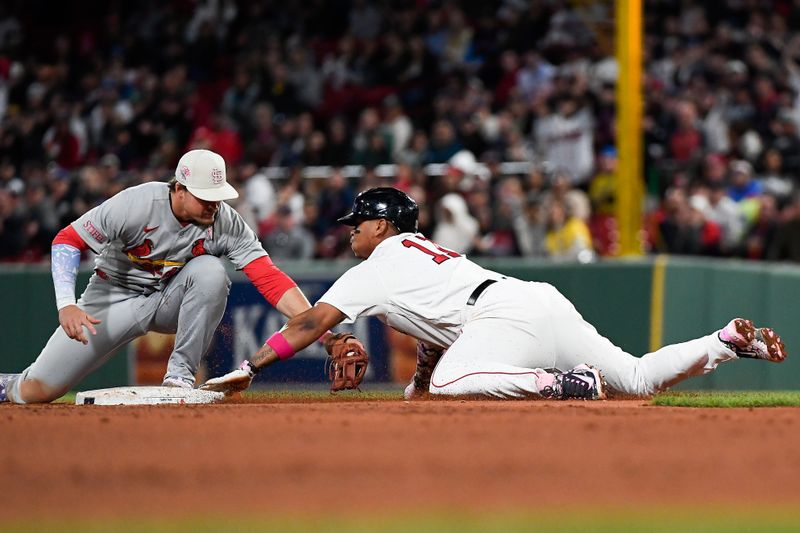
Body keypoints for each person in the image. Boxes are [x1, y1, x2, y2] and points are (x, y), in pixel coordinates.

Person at [200, 187, 788, 400]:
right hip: (532, 302)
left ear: (381, 226)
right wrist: (420, 382)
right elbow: (440, 332)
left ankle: (561, 385)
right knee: (634, 377)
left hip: (503, 315)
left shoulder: (377, 263)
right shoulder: (421, 253)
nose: (351, 230)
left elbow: (307, 325)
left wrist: (251, 364)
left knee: (458, 383)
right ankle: (725, 342)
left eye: (358, 222)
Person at [0, 149, 336, 404]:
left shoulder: (226, 221)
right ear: (179, 188)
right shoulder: (136, 204)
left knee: (210, 272)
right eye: (205, 197)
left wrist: (322, 331)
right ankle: (8, 384)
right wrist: (66, 304)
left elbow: (268, 276)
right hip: (111, 298)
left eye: (218, 197)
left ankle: (179, 379)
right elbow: (67, 240)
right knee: (37, 390)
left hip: (168, 300)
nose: (213, 205)